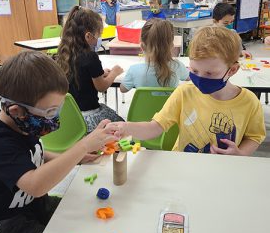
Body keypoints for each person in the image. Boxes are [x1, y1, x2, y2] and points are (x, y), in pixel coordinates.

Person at [0, 51, 118, 233]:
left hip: (30, 211)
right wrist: (82, 146)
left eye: (57, 109)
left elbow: (36, 153)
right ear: (16, 110)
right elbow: (35, 185)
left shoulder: (20, 123)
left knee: (85, 214)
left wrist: (75, 158)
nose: (55, 118)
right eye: (50, 111)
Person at [111, 27, 266, 155]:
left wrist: (240, 153)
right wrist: (127, 128)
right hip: (183, 165)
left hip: (223, 170)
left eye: (210, 73)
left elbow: (254, 137)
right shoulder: (184, 93)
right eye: (194, 70)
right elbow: (155, 127)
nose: (200, 78)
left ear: (232, 70)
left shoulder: (249, 102)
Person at [57, 6, 124, 134]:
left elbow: (81, 75)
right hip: (89, 116)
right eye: (99, 35)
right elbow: (102, 86)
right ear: (88, 36)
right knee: (121, 127)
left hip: (71, 116)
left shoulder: (64, 53)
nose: (100, 38)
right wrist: (114, 73)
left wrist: (99, 73)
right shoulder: (90, 56)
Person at [120, 18, 189, 93]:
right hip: (170, 105)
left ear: (142, 46)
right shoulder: (177, 66)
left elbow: (123, 89)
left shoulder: (134, 70)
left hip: (145, 105)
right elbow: (191, 78)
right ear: (172, 45)